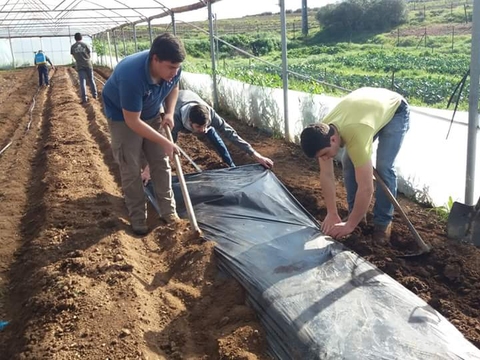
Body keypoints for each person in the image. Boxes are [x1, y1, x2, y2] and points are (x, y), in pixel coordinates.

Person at [300, 87, 410, 243]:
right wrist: (332, 213)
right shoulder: (322, 131)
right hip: (365, 111)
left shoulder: (356, 135)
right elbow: (326, 175)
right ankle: (357, 216)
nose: (324, 158)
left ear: (333, 140)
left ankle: (382, 223)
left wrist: (349, 226)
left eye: (324, 154)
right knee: (349, 162)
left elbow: (367, 188)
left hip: (395, 110)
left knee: (384, 167)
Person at [102, 33, 186, 236]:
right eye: (171, 68)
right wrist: (165, 141)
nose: (175, 72)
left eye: (177, 68)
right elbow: (133, 121)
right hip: (123, 117)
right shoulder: (131, 76)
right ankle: (138, 218)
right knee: (130, 166)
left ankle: (169, 213)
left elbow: (174, 87)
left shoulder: (173, 68)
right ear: (155, 58)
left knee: (161, 163)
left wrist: (169, 112)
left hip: (151, 112)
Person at [141, 90, 274, 182]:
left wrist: (256, 154)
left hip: (191, 99)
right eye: (199, 127)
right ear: (190, 123)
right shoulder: (175, 121)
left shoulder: (209, 114)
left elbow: (231, 133)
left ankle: (231, 165)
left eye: (205, 125)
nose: (203, 130)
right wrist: (148, 170)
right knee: (169, 144)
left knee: (214, 135)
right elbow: (164, 145)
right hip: (176, 104)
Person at [70, 32, 98, 104]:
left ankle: (84, 98)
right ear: (81, 38)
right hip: (88, 64)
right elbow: (89, 55)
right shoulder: (85, 45)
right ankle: (95, 95)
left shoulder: (73, 47)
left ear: (75, 38)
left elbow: (73, 56)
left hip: (80, 66)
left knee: (82, 82)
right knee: (91, 80)